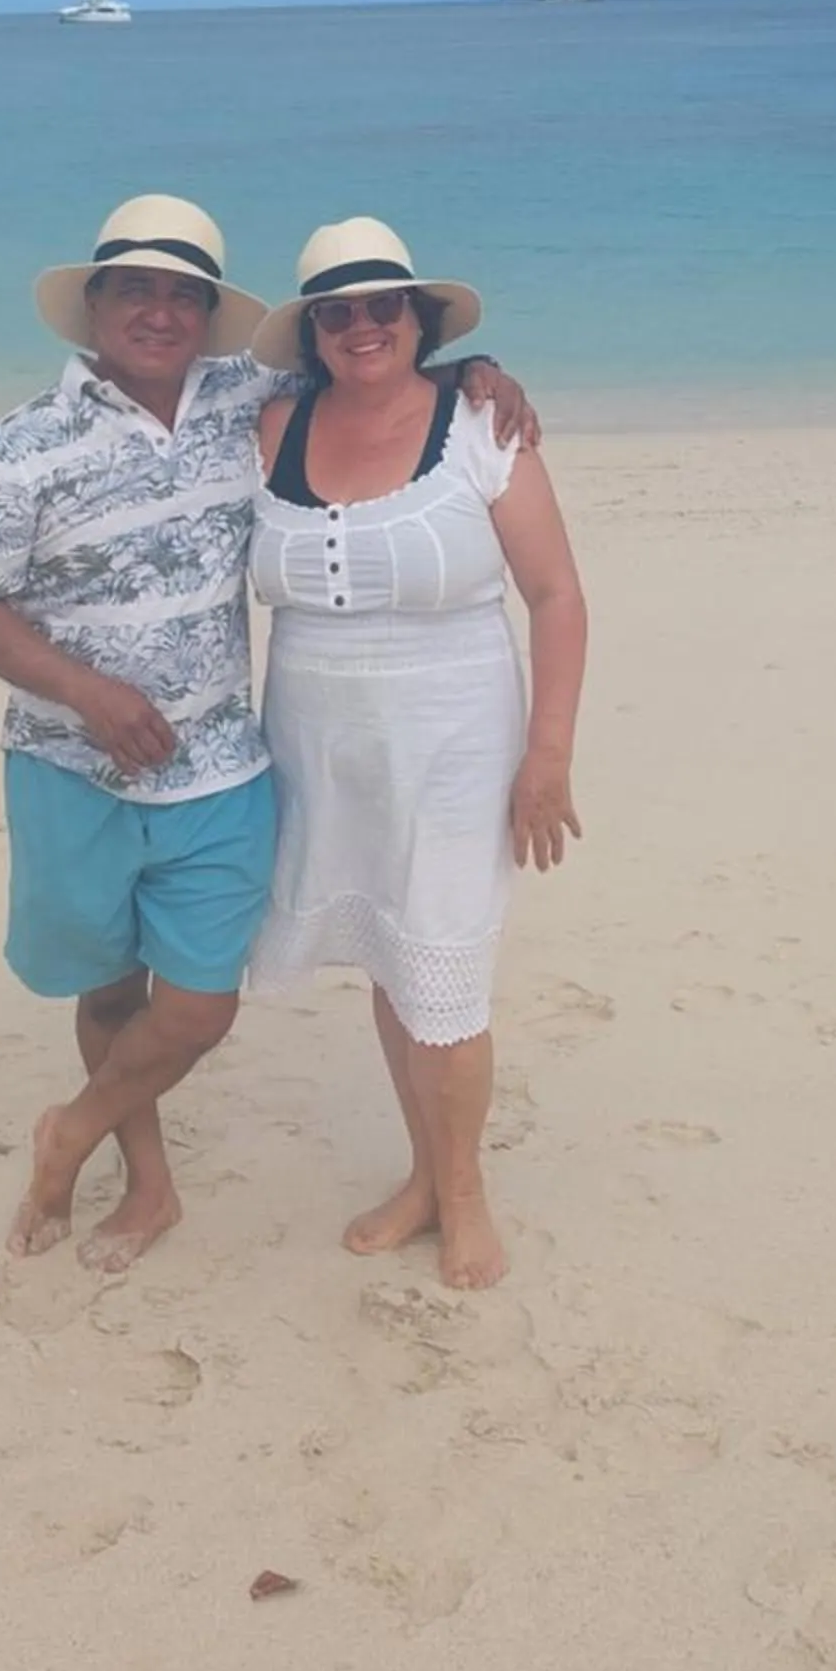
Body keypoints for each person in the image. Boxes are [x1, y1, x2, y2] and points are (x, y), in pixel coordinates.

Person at [0, 194, 531, 1273]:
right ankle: (147, 1189)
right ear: (96, 306)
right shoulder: (20, 446)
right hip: (66, 765)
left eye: (183, 295)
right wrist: (88, 694)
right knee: (109, 990)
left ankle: (68, 1130)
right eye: (137, 290)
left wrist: (474, 377)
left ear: (210, 317)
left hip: (219, 765)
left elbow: (375, 371)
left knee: (201, 1007)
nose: (159, 313)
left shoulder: (248, 400)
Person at [247, 218, 587, 1290]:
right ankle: (424, 1179)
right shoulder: (263, 427)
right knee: (393, 966)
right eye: (336, 312)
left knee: (447, 976)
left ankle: (466, 1193)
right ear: (312, 333)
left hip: (455, 741)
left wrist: (549, 757)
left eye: (381, 306)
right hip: (320, 742)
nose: (360, 327)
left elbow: (557, 597)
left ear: (416, 318)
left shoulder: (482, 424)